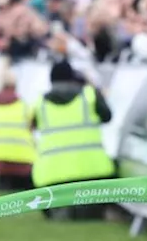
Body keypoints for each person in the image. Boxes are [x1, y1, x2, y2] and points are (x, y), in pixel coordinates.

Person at [29, 59, 116, 219]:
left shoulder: (40, 103)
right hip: (92, 171)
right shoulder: (89, 95)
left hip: (52, 175)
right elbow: (108, 116)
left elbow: (31, 126)